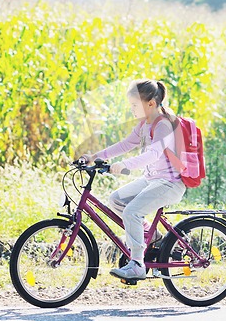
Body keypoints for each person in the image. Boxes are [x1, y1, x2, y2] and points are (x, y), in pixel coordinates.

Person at [79, 79, 186, 281]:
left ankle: (137, 264)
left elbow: (154, 154)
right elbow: (125, 144)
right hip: (152, 180)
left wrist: (125, 165)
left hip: (169, 183)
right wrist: (95, 156)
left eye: (134, 105)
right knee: (116, 200)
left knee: (132, 212)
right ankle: (152, 238)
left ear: (151, 104)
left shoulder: (163, 124)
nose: (132, 109)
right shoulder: (144, 124)